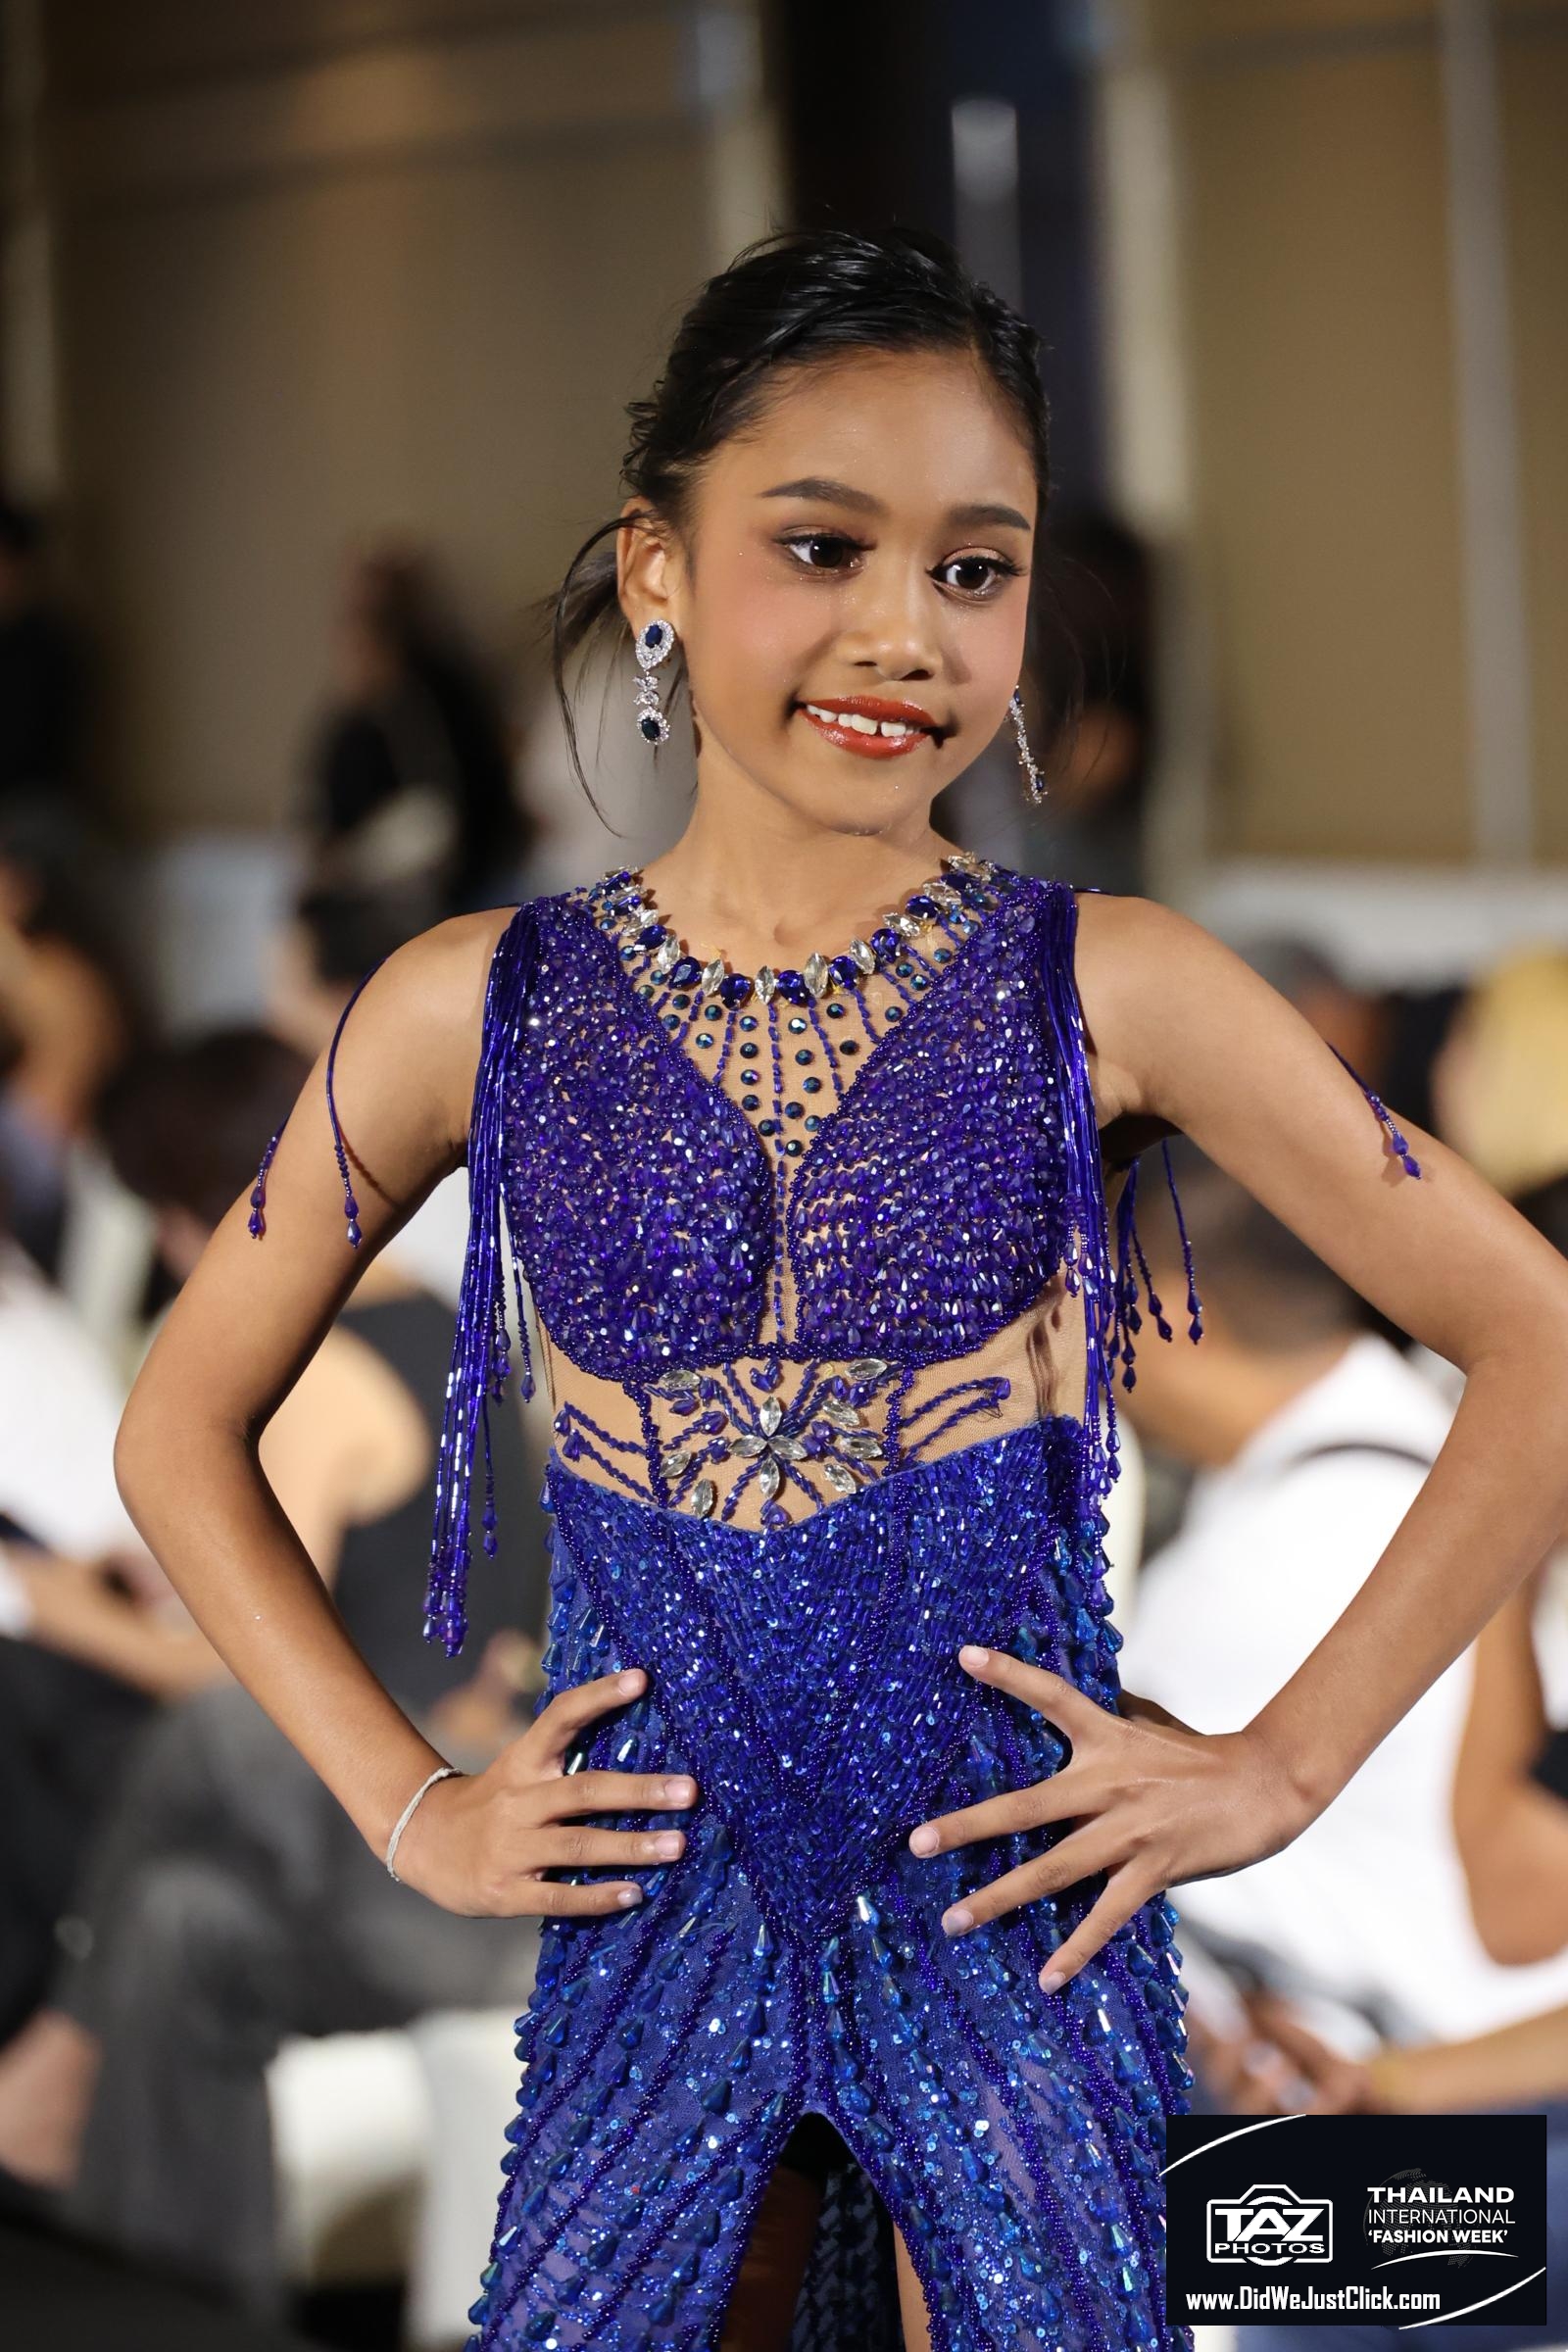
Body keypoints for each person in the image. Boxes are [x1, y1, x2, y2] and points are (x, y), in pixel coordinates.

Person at [111, 227, 1568, 2352]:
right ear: (657, 566)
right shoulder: (470, 1006)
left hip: (1009, 1942)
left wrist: (1276, 1766)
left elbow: (1538, 1334)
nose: (904, 633)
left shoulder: (1115, 984)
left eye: (974, 569)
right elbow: (176, 1426)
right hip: (647, 1944)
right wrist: (408, 1805)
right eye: (822, 547)